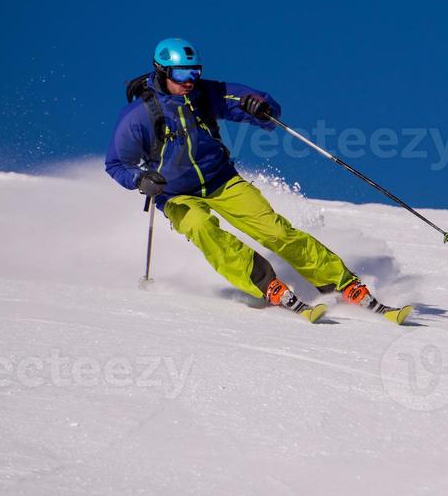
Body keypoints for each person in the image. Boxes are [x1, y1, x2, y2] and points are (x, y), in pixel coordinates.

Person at [105, 37, 411, 324]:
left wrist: (260, 108)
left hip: (220, 180)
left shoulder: (204, 94)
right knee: (200, 227)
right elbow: (116, 164)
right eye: (182, 72)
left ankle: (344, 284)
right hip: (175, 194)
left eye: (195, 71)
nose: (190, 80)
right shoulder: (138, 116)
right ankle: (266, 284)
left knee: (274, 230)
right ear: (162, 72)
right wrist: (140, 179)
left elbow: (254, 101)